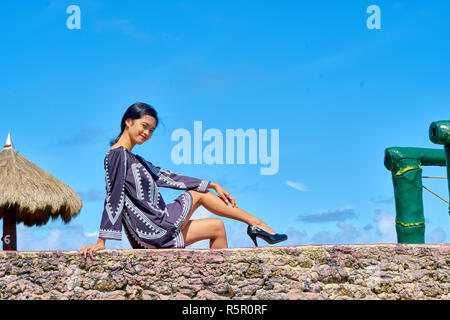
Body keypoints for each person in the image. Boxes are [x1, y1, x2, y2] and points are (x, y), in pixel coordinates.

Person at [79, 102, 287, 258]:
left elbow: (168, 177)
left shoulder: (136, 160)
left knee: (217, 227)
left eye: (151, 130)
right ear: (128, 121)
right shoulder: (117, 155)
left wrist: (213, 184)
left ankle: (217, 292)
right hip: (152, 230)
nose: (147, 133)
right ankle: (257, 223)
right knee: (198, 194)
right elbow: (113, 197)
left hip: (156, 233)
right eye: (144, 126)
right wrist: (101, 242)